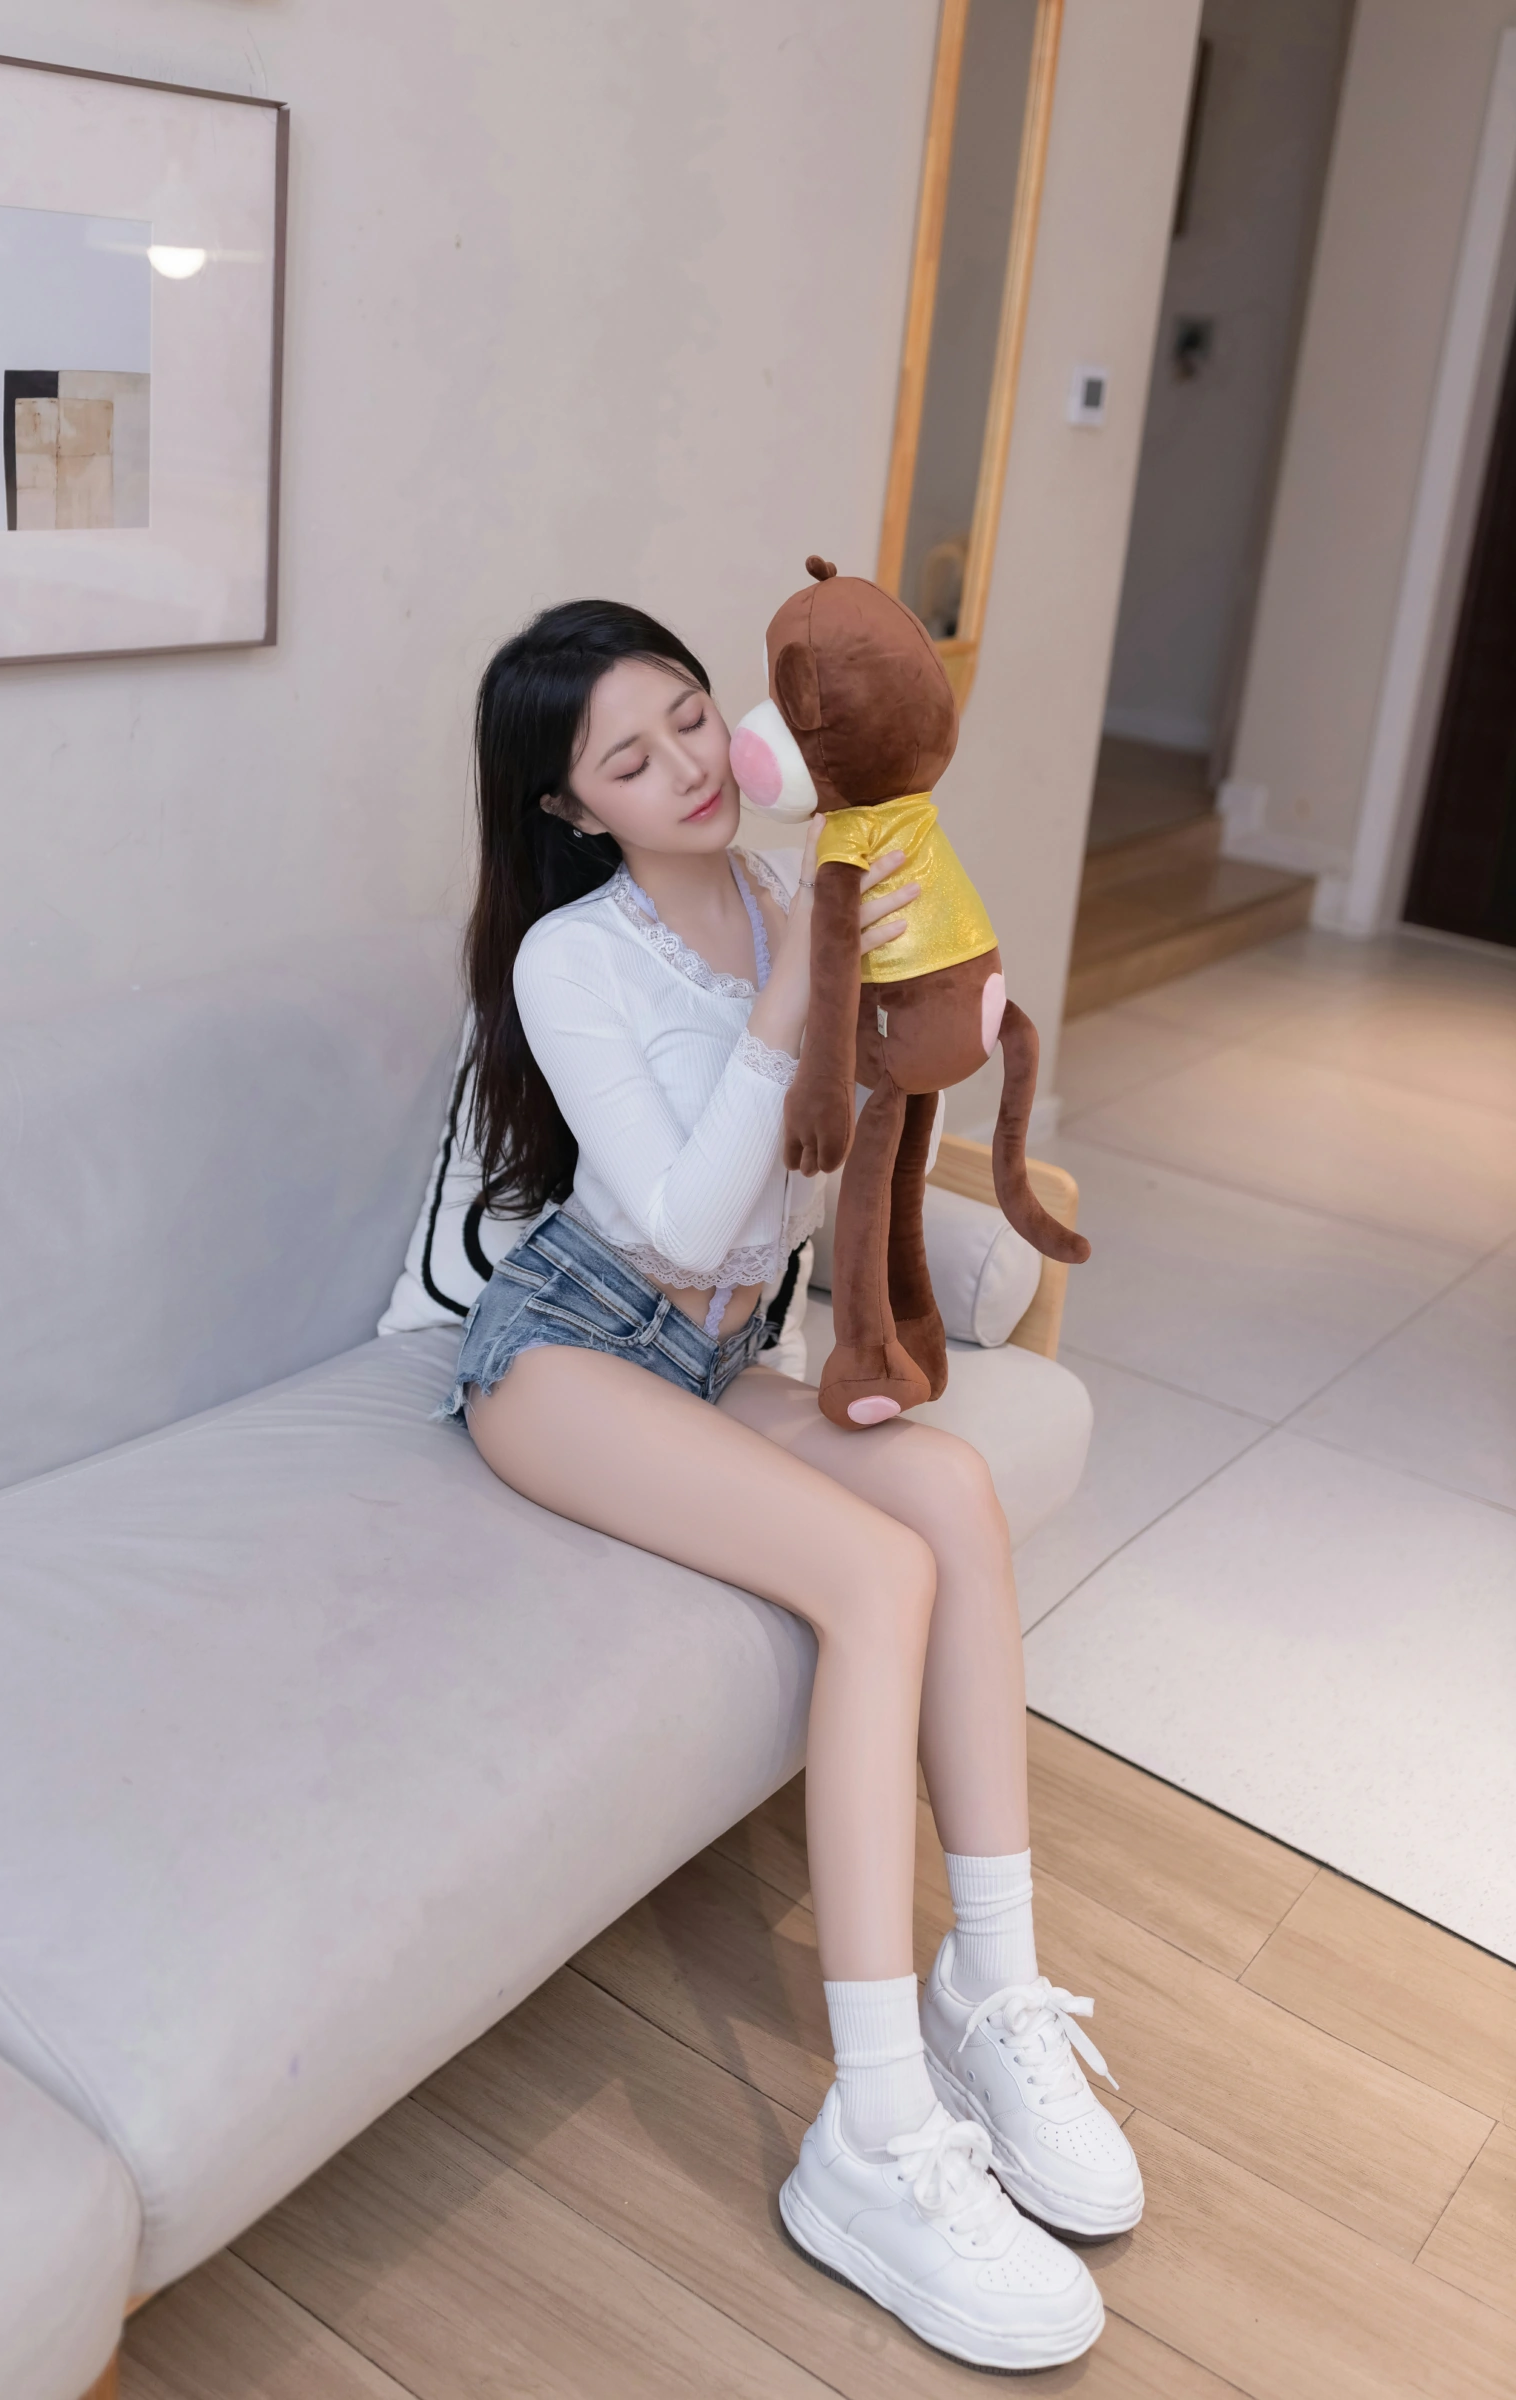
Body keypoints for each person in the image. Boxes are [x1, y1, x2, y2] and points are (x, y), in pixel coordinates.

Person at [445, 598, 1141, 2373]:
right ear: (572, 807)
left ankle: (992, 1989)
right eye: (629, 759)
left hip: (712, 1355)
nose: (688, 767)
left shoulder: (788, 886)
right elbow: (685, 1226)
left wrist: (929, 1000)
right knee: (875, 1572)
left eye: (691, 716)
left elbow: (831, 1161)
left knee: (951, 1499)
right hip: (569, 1354)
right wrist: (793, 988)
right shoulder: (574, 960)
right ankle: (877, 2132)